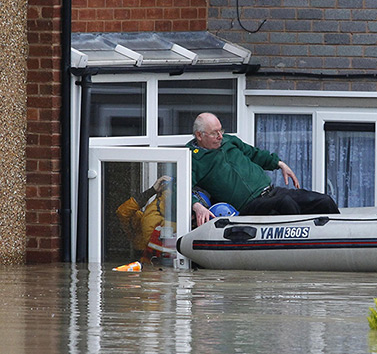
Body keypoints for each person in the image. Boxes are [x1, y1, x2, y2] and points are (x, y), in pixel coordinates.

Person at [187, 112, 339, 226]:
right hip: (248, 205)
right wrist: (197, 206)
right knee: (285, 203)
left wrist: (279, 164)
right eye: (215, 133)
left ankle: (340, 239)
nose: (220, 136)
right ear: (199, 136)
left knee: (323, 201)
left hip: (271, 191)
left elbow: (254, 154)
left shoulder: (229, 141)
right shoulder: (192, 158)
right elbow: (179, 186)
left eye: (221, 131)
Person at [116, 175, 175, 264]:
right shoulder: (142, 220)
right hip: (145, 270)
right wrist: (151, 192)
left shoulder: (186, 221)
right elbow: (123, 212)